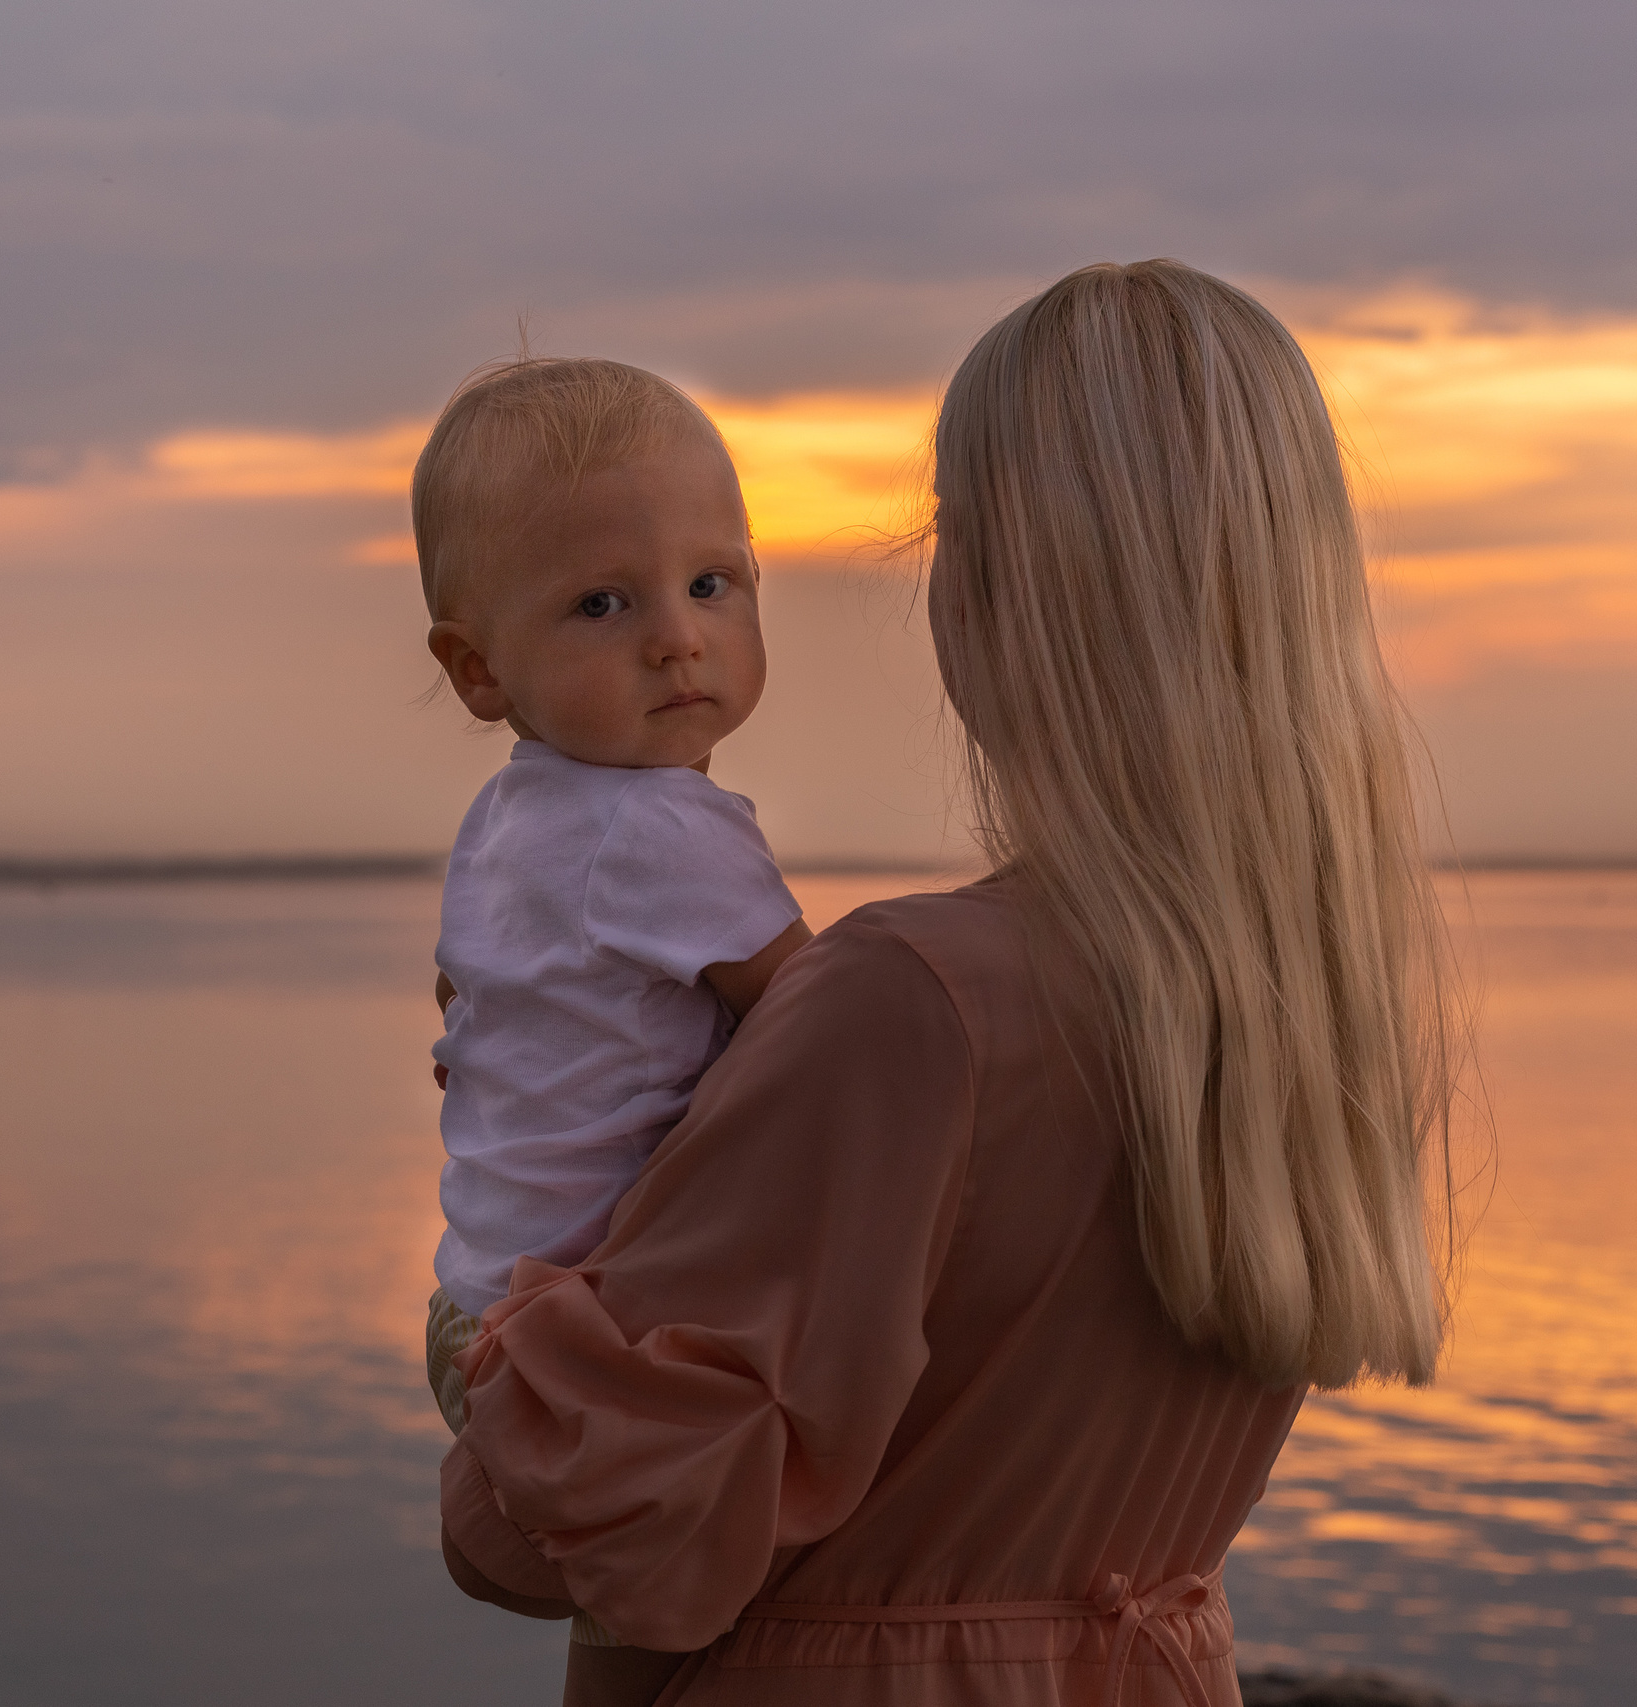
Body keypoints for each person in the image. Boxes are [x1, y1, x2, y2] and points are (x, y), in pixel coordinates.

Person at [439, 260, 1464, 1707]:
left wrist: (526, 1289)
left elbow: (558, 1530)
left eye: (953, 537)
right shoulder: (1297, 1009)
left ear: (997, 595)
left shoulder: (908, 1004)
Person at [413, 358, 813, 1499]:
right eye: (603, 603)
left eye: (709, 584)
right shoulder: (655, 829)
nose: (676, 638)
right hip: (592, 1328)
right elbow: (832, 1015)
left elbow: (467, 1000)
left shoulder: (509, 816)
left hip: (478, 1305)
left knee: (636, 1607)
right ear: (477, 668)